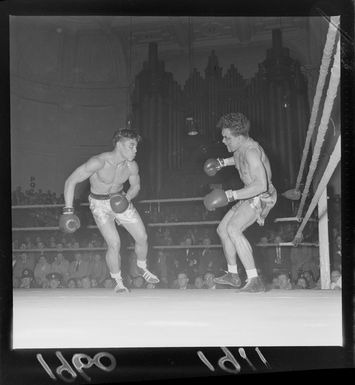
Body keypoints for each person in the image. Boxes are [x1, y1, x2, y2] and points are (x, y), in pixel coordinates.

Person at [61, 128, 159, 293]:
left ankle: (142, 266)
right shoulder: (98, 162)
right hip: (99, 205)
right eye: (131, 146)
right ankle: (118, 282)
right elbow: (71, 181)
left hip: (120, 199)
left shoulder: (131, 166)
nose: (135, 150)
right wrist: (68, 210)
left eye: (136, 147)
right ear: (119, 145)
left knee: (142, 236)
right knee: (114, 243)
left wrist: (126, 199)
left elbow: (136, 186)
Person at [203, 112, 277, 292]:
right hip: (248, 195)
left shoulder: (252, 151)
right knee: (222, 229)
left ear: (240, 136)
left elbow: (260, 185)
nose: (223, 141)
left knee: (233, 229)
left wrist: (229, 195)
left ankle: (254, 280)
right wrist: (221, 162)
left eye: (227, 137)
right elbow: (237, 160)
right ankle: (233, 275)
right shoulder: (239, 149)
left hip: (262, 197)